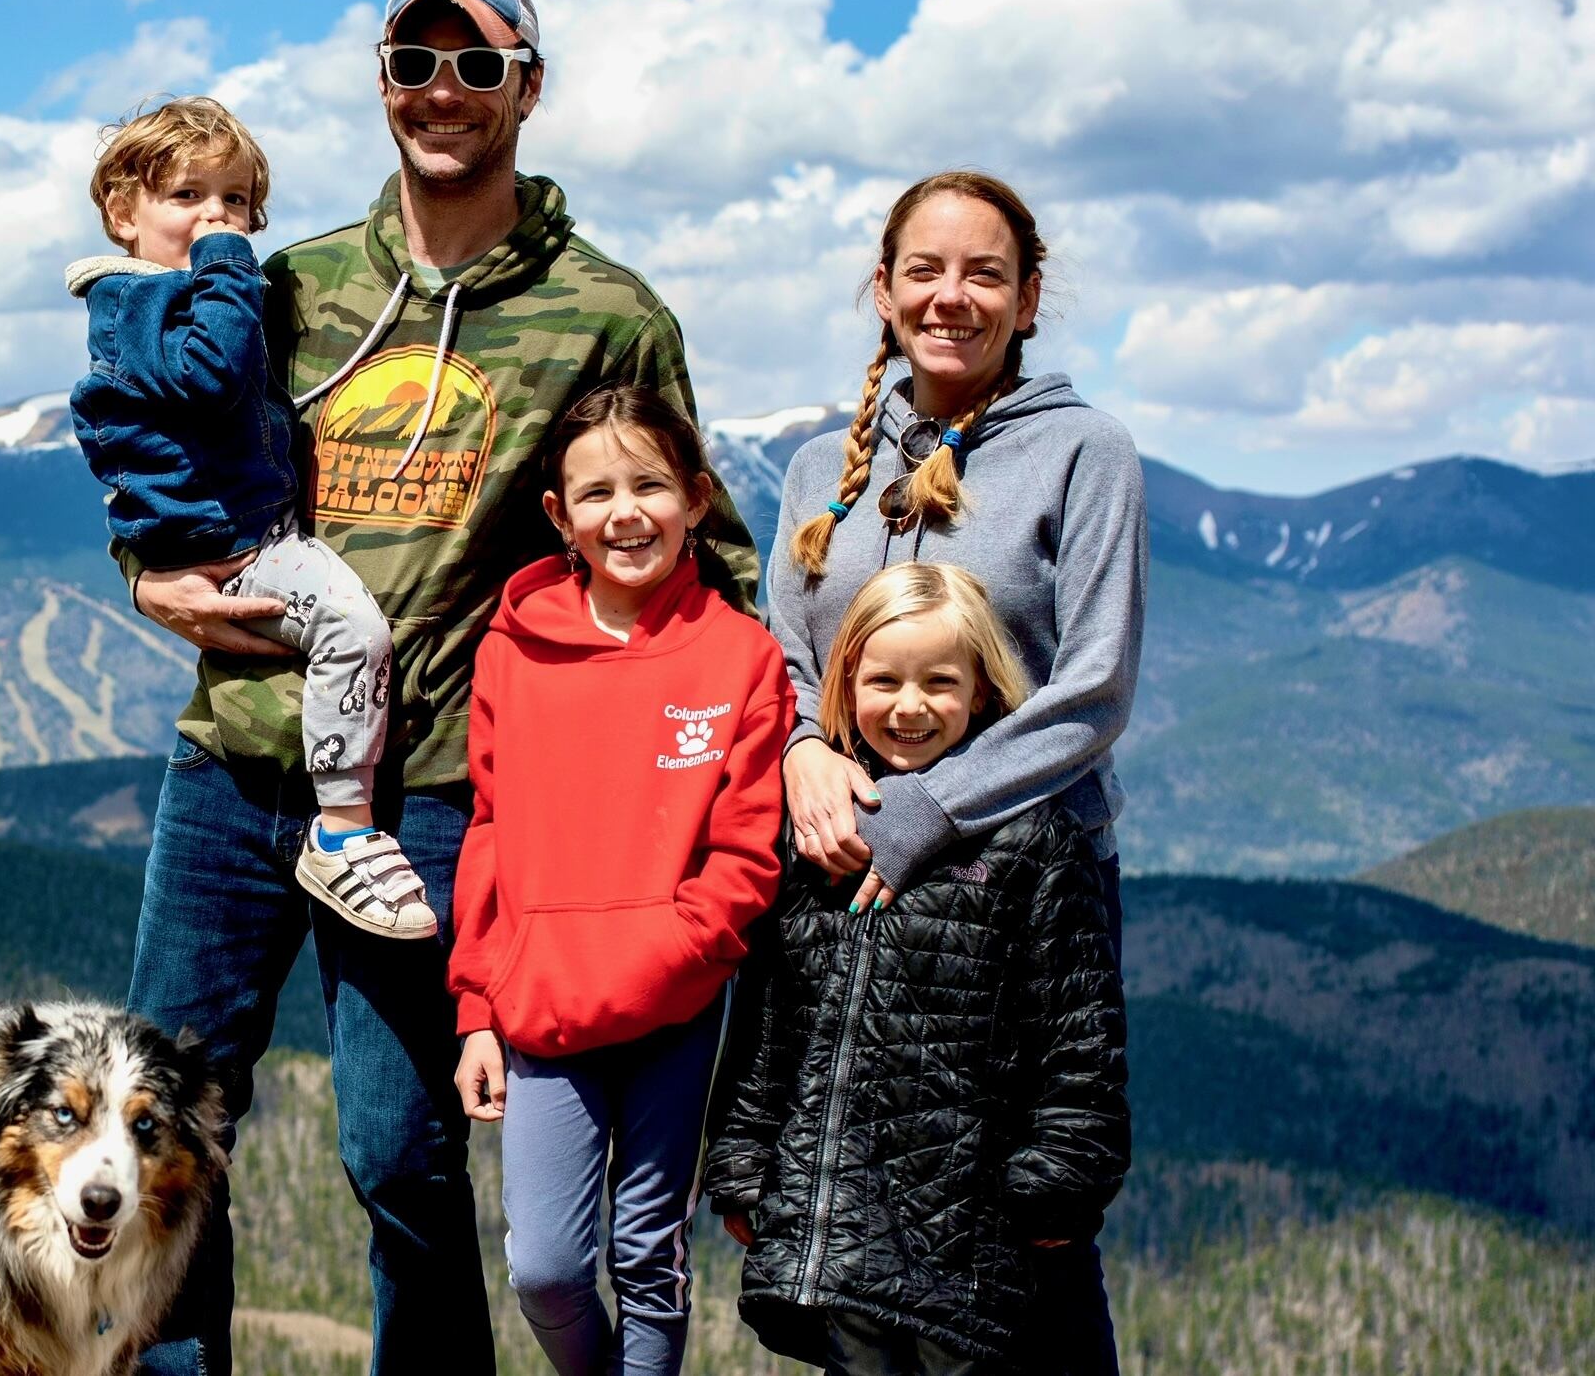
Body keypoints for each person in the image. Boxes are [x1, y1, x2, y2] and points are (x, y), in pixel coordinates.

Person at [116, 0, 759, 1376]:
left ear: (529, 86)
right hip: (233, 755)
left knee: (398, 1155)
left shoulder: (606, 313)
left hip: (431, 785)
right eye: (415, 61)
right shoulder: (283, 286)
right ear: (384, 82)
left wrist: (789, 747)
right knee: (164, 1123)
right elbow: (171, 449)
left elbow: (699, 544)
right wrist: (145, 574)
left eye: (477, 63)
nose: (442, 91)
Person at [767, 170, 1147, 1372]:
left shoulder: (1082, 452)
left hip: (1021, 895)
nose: (952, 296)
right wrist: (804, 756)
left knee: (1028, 1213)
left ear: (1028, 296)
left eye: (984, 273)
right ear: (880, 291)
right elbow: (785, 655)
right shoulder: (817, 466)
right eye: (923, 271)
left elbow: (1090, 688)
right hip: (849, 883)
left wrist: (928, 809)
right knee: (867, 1216)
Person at [706, 562, 1130, 1375]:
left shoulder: (1029, 843)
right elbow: (767, 1025)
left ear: (983, 689)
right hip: (842, 1239)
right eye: (884, 680)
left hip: (971, 1239)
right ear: (845, 684)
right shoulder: (819, 842)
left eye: (940, 681)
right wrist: (743, 1163)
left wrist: (1059, 1181)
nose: (910, 705)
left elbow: (1081, 1039)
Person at [447, 387, 789, 1376]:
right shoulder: (513, 651)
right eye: (596, 492)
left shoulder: (739, 655)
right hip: (543, 1009)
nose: (625, 511)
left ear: (694, 496)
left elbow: (745, 846)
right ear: (559, 514)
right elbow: (490, 825)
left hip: (672, 1010)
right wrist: (478, 1002)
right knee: (547, 1266)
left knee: (648, 1253)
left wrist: (674, 950)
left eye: (649, 484)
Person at [67, 96, 434, 940]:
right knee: (354, 633)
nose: (215, 218)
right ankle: (344, 830)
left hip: (236, 530)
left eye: (234, 203)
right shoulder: (145, 305)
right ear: (123, 214)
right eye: (186, 196)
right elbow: (217, 378)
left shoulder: (162, 301)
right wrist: (229, 261)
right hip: (238, 546)